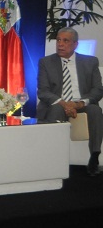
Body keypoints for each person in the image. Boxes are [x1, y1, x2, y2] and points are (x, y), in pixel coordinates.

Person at [37, 27, 103, 176]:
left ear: (75, 44)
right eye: (58, 40)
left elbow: (98, 90)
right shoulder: (46, 62)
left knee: (95, 110)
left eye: (65, 41)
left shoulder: (90, 62)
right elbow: (43, 91)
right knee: (56, 109)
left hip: (81, 104)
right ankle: (54, 158)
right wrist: (64, 104)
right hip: (58, 103)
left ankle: (94, 156)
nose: (60, 44)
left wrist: (79, 104)